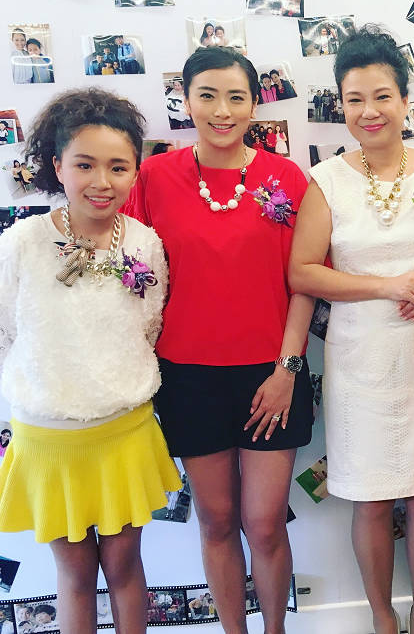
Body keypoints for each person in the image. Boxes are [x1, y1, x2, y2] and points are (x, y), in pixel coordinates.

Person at [122, 47, 313, 634]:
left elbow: (305, 281)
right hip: (188, 377)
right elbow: (128, 270)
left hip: (272, 374)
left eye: (236, 97)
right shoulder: (153, 176)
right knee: (217, 521)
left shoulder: (287, 178)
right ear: (185, 101)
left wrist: (287, 370)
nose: (222, 111)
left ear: (255, 104)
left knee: (265, 523)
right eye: (207, 96)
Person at [288, 26, 414, 634]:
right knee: (369, 496)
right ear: (341, 104)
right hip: (360, 360)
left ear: (405, 101)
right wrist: (387, 286)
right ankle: (383, 618)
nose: (369, 111)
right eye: (355, 99)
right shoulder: (327, 180)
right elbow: (303, 272)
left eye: (382, 96)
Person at [0, 88, 179, 634]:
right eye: (84, 164)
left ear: (135, 172)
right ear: (57, 165)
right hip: (49, 437)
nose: (102, 181)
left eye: (118, 167)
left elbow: (149, 325)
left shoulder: (145, 244)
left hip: (123, 431)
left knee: (124, 566)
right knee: (74, 574)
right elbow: (7, 330)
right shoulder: (22, 242)